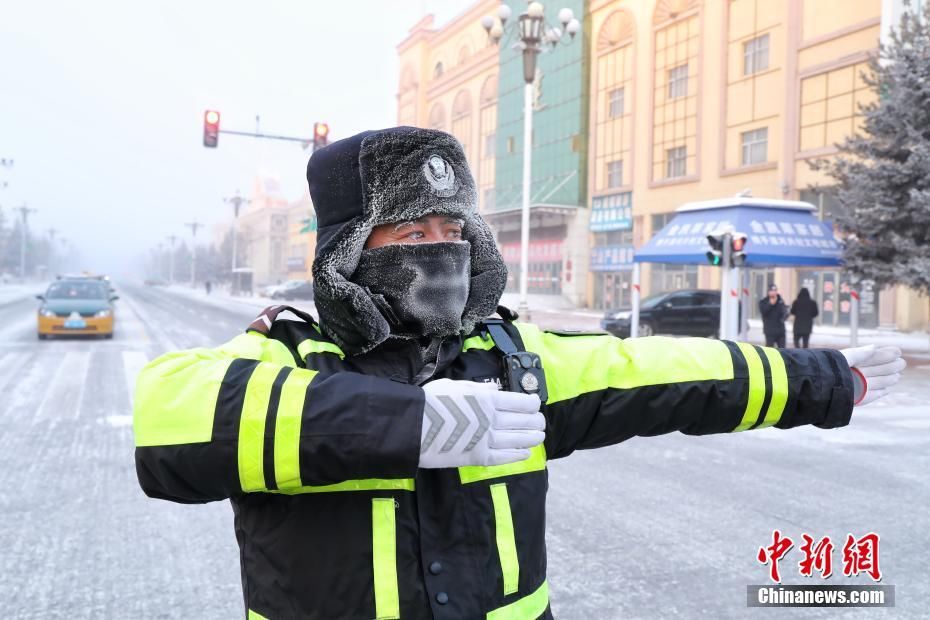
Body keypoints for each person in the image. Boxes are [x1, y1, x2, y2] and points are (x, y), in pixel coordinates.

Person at [132, 127, 905, 619]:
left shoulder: (512, 364)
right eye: (411, 229)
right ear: (351, 250)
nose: (440, 248)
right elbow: (169, 417)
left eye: (452, 228)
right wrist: (408, 426)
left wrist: (822, 377)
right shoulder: (288, 358)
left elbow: (669, 372)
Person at [759, 284, 788, 348]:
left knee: (782, 350)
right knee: (769, 350)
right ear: (768, 292)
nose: (773, 292)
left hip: (780, 330)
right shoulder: (763, 301)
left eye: (775, 290)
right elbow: (763, 312)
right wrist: (770, 304)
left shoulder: (780, 301)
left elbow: (784, 313)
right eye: (771, 290)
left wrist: (786, 314)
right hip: (769, 331)